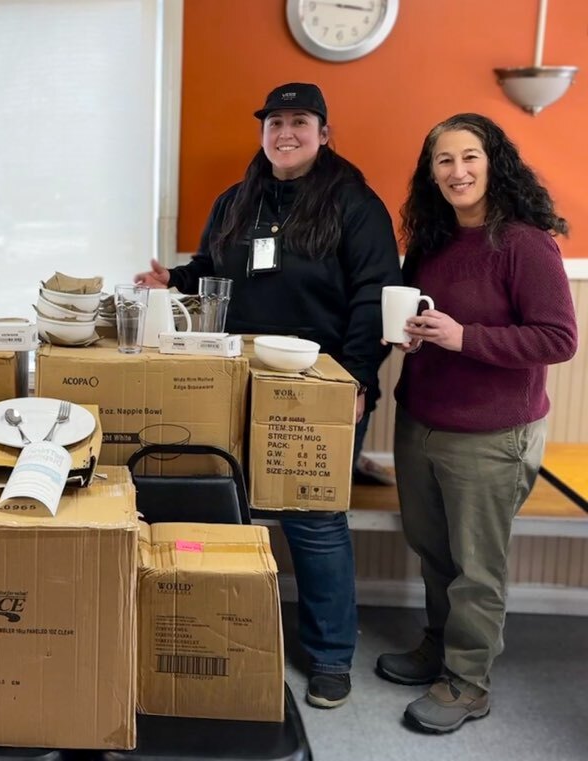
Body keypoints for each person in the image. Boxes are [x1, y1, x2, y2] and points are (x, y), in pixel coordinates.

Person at [135, 83, 402, 708]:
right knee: (223, 500)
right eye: (275, 122)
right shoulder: (238, 200)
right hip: (235, 374)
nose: (286, 132)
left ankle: (331, 655)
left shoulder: (356, 205)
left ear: (324, 132)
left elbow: (374, 294)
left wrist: (357, 379)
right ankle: (220, 634)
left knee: (312, 518)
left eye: (300, 122)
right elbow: (213, 268)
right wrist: (171, 279)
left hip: (321, 382)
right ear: (263, 132)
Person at [377, 113, 577, 733]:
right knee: (436, 552)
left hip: (492, 434)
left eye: (470, 157)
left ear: (494, 163)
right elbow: (422, 316)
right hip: (422, 421)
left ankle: (468, 682)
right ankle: (440, 649)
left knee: (477, 567)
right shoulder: (434, 242)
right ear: (430, 172)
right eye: (443, 160)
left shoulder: (524, 242)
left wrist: (465, 338)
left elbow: (559, 338)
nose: (457, 171)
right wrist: (414, 339)